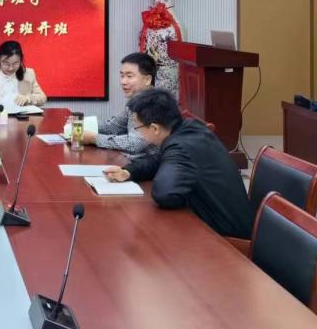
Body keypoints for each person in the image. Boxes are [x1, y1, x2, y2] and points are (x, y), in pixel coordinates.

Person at [102, 88, 253, 239]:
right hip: (225, 223)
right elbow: (159, 159)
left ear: (155, 128)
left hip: (226, 237)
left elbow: (164, 194)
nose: (138, 132)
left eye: (138, 127)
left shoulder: (180, 147)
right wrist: (129, 171)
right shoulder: (189, 128)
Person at [81, 52, 156, 155]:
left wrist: (94, 139)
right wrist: (80, 123)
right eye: (122, 76)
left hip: (148, 163)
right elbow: (113, 127)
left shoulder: (153, 104)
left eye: (129, 76)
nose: (123, 82)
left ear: (147, 80)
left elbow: (134, 144)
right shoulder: (135, 101)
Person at [0, 40, 47, 108]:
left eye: (15, 63)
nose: (11, 68)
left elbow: (42, 98)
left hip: (21, 117)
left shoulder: (28, 74)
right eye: (6, 64)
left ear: (21, 60)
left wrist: (28, 98)